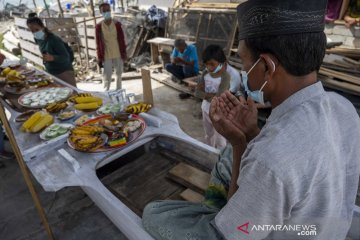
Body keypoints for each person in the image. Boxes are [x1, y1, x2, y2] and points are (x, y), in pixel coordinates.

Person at [142, 1, 360, 240]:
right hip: (322, 228)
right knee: (226, 158)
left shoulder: (271, 158)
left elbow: (239, 233)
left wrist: (240, 143)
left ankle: (221, 211)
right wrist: (249, 135)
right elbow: (297, 164)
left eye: (245, 62)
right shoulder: (343, 107)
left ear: (267, 66)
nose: (244, 71)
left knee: (154, 213)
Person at [195, 45, 230, 149]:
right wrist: (211, 95)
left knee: (221, 139)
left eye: (212, 64)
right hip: (205, 109)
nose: (209, 67)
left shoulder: (225, 76)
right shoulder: (205, 73)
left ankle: (220, 160)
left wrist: (205, 93)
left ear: (221, 62)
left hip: (220, 111)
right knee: (209, 135)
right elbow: (197, 93)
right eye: (207, 64)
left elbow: (218, 98)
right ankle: (209, 152)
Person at [26, 17, 76, 87]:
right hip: (52, 72)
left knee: (72, 94)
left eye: (37, 29)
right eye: (32, 31)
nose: (35, 33)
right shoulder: (38, 39)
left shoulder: (54, 40)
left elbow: (65, 57)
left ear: (42, 27)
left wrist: (53, 58)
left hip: (64, 72)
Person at [95, 2, 127, 91]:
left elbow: (122, 39)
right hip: (106, 54)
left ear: (111, 10)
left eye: (108, 10)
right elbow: (98, 43)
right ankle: (106, 91)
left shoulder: (117, 24)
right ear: (100, 12)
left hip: (118, 52)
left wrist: (124, 52)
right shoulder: (99, 26)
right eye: (104, 11)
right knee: (107, 75)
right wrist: (99, 56)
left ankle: (119, 90)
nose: (106, 12)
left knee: (119, 73)